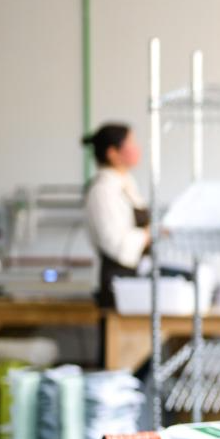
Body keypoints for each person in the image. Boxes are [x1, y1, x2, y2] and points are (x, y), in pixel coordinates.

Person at [82, 124, 149, 308]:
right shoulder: (102, 190)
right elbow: (115, 244)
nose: (137, 148)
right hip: (114, 281)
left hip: (133, 275)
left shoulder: (127, 183)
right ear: (112, 153)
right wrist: (147, 235)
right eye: (131, 143)